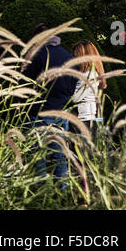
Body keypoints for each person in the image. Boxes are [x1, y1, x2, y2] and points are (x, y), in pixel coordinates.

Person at [22, 24, 75, 182]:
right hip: (61, 113)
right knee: (59, 156)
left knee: (37, 157)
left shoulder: (35, 56)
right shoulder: (69, 57)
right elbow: (73, 85)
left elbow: (24, 82)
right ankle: (62, 194)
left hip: (38, 112)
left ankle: (42, 193)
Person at [71, 40, 106, 135]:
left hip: (85, 120)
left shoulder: (90, 75)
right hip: (85, 119)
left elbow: (76, 98)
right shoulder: (87, 74)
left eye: (76, 56)